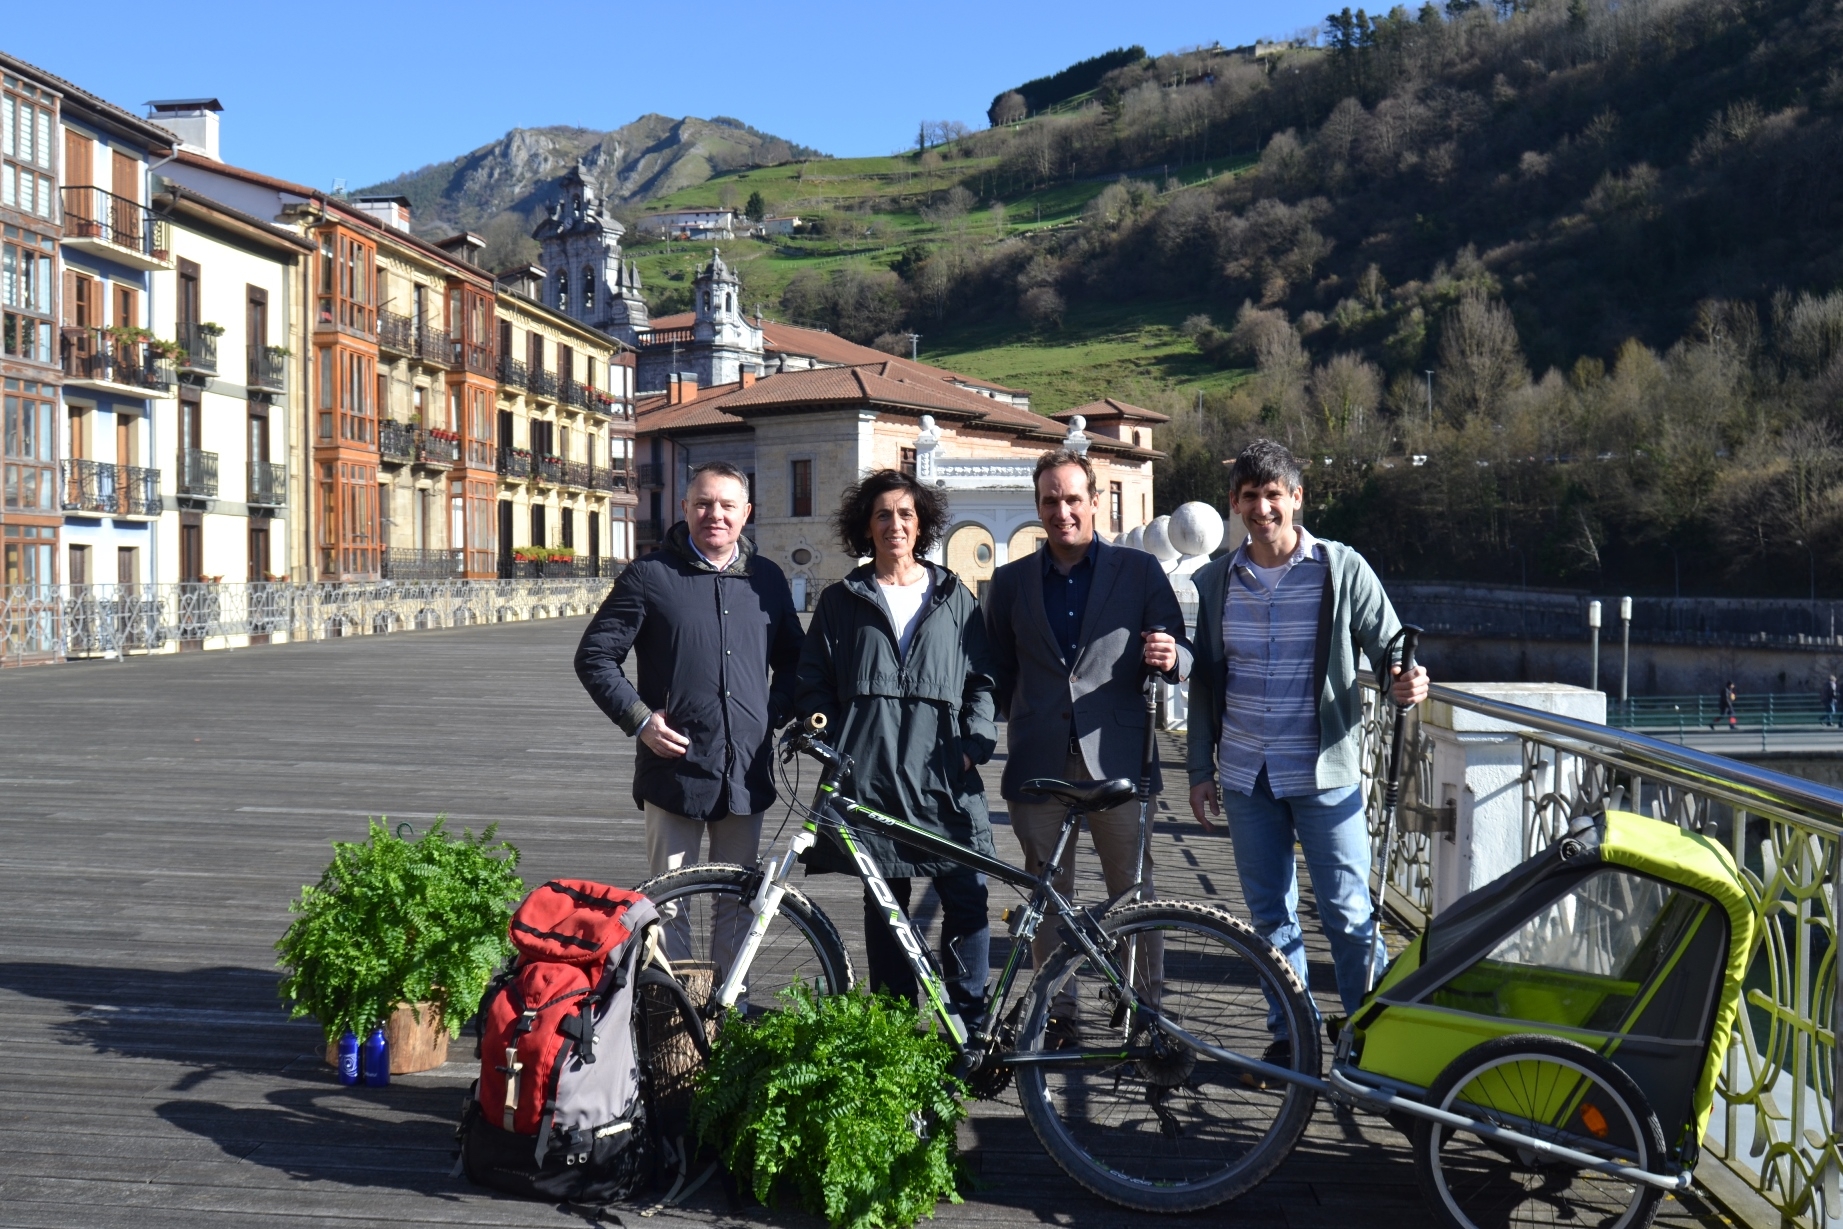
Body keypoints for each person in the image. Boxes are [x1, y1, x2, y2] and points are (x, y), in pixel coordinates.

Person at [1186, 439, 1429, 1073]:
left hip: (1326, 774)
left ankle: (1372, 1040)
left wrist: (1407, 679)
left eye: (1274, 494)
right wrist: (1199, 770)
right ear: (1234, 503)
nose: (1262, 507)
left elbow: (1391, 649)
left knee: (1349, 914)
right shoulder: (1214, 581)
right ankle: (1291, 1037)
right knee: (1270, 917)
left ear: (1296, 497)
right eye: (1250, 496)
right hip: (1246, 774)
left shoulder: (1341, 568)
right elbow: (1205, 682)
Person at [984, 448, 1192, 1028]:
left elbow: (1183, 650)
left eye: (1073, 499)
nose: (1062, 511)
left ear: (1095, 502)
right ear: (1038, 507)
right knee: (1048, 894)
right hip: (1038, 760)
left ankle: (1143, 1008)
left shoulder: (1139, 571)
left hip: (1119, 760)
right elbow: (996, 671)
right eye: (1050, 500)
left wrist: (1173, 657)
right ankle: (1059, 1009)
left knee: (1134, 891)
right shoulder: (1010, 582)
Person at [575, 461, 803, 964]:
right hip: (674, 769)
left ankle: (729, 1003)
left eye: (726, 505)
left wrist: (774, 711)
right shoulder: (649, 575)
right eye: (703, 503)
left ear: (746, 513)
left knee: (737, 901)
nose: (714, 514)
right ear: (685, 508)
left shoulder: (767, 579)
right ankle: (671, 1007)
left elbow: (795, 660)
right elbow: (595, 656)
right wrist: (639, 719)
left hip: (745, 770)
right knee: (667, 904)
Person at [795, 469, 998, 1022]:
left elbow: (982, 682)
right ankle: (896, 1027)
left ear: (922, 523)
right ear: (866, 525)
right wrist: (830, 736)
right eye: (882, 514)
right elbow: (812, 679)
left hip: (945, 777)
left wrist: (973, 745)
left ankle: (967, 1026)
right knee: (886, 909)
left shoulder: (955, 597)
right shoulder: (841, 600)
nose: (895, 524)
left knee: (967, 899)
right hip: (872, 776)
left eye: (906, 514)